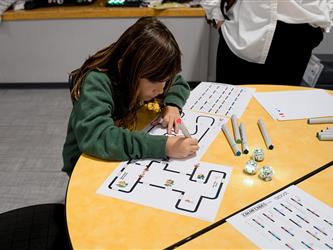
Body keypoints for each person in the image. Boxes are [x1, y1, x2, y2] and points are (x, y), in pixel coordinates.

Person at [62, 17, 199, 176]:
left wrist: (172, 106)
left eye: (165, 80)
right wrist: (164, 146)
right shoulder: (97, 81)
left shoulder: (149, 77)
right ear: (125, 68)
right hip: (87, 161)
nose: (161, 89)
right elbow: (97, 137)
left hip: (122, 149)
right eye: (155, 80)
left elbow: (178, 82)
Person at [201, 0, 333, 85]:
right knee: (230, 106)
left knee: (283, 110)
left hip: (299, 30)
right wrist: (215, 14)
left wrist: (327, 13)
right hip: (242, 29)